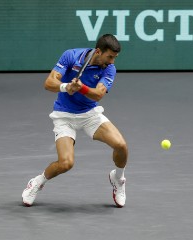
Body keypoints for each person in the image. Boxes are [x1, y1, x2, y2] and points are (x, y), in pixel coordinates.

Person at [22, 34, 128, 208]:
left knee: (121, 146)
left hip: (90, 114)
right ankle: (37, 182)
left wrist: (81, 88)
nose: (112, 62)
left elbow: (99, 94)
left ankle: (118, 178)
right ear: (99, 51)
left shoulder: (109, 68)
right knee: (66, 163)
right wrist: (66, 86)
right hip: (64, 116)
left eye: (115, 58)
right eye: (110, 57)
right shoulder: (71, 56)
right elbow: (49, 83)